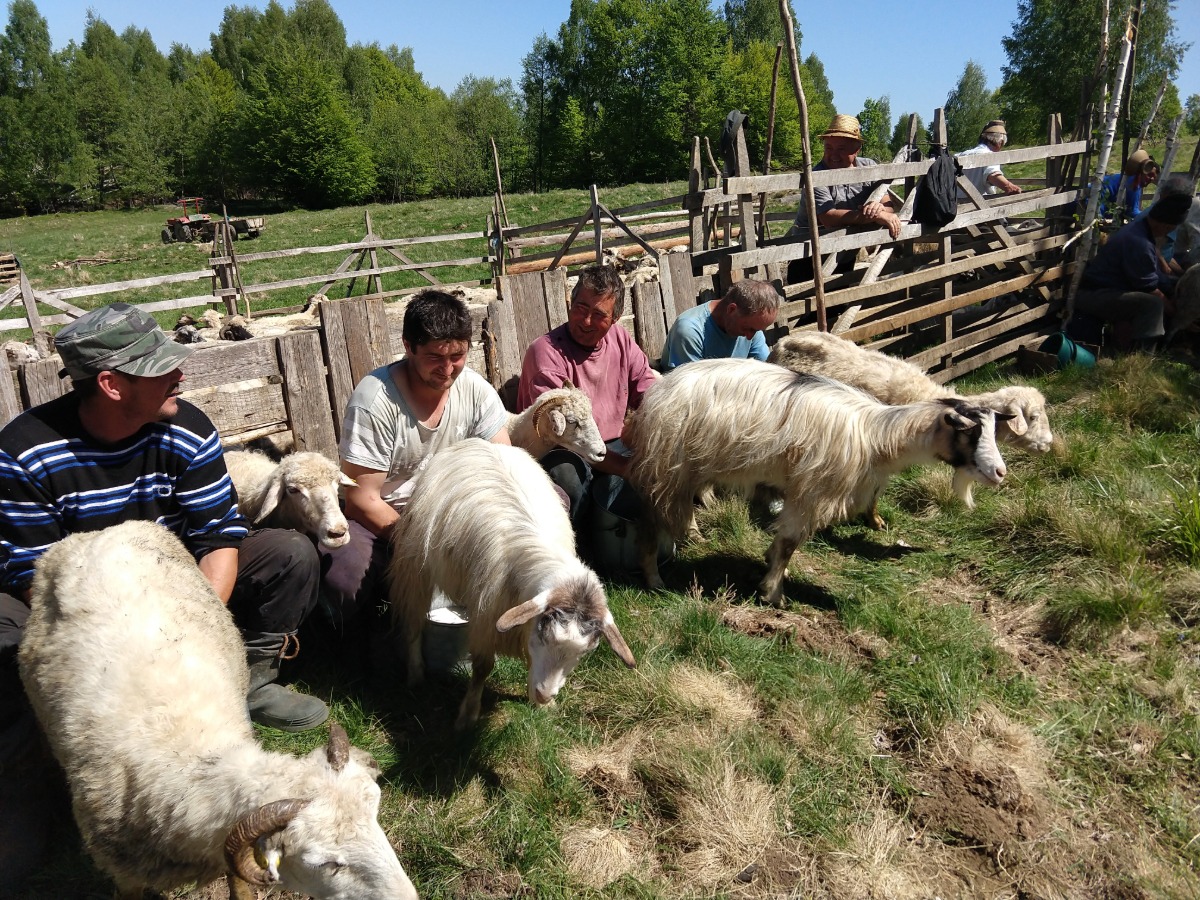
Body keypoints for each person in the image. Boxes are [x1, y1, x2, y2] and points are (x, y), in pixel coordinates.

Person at [0, 303, 327, 888]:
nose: (182, 375)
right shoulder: (25, 450)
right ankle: (26, 774)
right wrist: (129, 645)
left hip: (175, 591)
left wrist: (183, 643)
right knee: (5, 640)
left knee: (288, 554)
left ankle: (245, 685)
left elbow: (219, 537)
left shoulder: (187, 427)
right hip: (69, 600)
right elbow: (33, 572)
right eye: (160, 368)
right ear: (110, 384)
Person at [322, 289, 510, 624]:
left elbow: (505, 467)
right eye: (436, 357)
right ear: (409, 347)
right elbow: (361, 500)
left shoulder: (475, 391)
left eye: (458, 356)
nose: (448, 369)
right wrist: (428, 546)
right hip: (387, 520)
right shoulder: (376, 401)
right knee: (344, 572)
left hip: (452, 513)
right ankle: (368, 627)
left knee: (552, 497)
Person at [517, 265, 657, 525]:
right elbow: (558, 431)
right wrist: (625, 468)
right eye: (581, 308)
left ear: (615, 317)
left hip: (610, 442)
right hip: (562, 446)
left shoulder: (620, 339)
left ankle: (639, 541)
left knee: (656, 461)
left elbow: (647, 388)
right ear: (570, 302)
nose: (586, 321)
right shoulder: (546, 353)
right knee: (566, 477)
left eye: (598, 314)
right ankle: (575, 549)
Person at [787, 114, 901, 284]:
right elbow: (828, 218)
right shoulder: (817, 175)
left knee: (838, 306)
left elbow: (888, 204)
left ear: (856, 149)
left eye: (841, 149)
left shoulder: (868, 167)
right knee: (806, 307)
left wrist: (881, 209)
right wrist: (873, 216)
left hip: (845, 255)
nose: (833, 154)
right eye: (829, 148)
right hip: (809, 257)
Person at [1075, 192, 1192, 352]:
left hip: (1113, 290)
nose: (1167, 233)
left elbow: (1154, 276)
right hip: (1094, 294)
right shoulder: (1139, 243)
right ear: (1164, 226)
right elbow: (1149, 288)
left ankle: (1128, 347)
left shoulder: (1141, 231)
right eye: (1169, 229)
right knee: (1153, 305)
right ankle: (1142, 355)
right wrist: (1179, 315)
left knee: (1161, 294)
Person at [660, 278, 780, 372]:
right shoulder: (690, 330)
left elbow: (766, 371)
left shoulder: (752, 327)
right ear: (732, 309)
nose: (749, 336)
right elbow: (692, 389)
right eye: (749, 329)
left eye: (757, 331)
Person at [956, 119, 1022, 200]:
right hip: (978, 206)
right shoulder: (990, 156)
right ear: (1000, 142)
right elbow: (992, 174)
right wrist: (1010, 187)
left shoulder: (961, 154)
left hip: (957, 206)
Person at [1098, 149, 1160, 221]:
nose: (1151, 179)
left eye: (1154, 177)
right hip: (1096, 200)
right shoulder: (1134, 182)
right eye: (1150, 175)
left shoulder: (1130, 178)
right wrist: (1151, 217)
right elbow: (1132, 212)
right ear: (1143, 171)